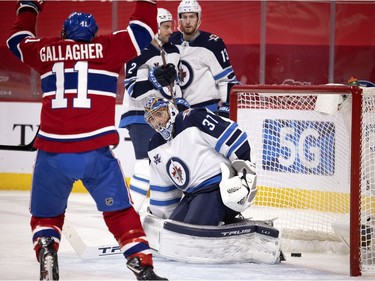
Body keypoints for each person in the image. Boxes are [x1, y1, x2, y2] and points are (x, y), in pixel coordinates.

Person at [6, 1, 169, 280]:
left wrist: (29, 6)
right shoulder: (107, 47)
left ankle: (47, 249)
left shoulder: (46, 50)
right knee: (119, 213)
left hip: (52, 154)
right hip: (95, 153)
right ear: (93, 34)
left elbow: (16, 40)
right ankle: (142, 264)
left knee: (47, 216)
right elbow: (142, 30)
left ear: (64, 32)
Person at [143, 97, 257, 225]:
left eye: (159, 114)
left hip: (217, 188)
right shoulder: (154, 145)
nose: (157, 122)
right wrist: (160, 216)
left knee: (190, 230)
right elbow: (163, 189)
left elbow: (232, 136)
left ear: (171, 110)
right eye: (152, 119)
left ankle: (220, 220)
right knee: (171, 227)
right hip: (191, 196)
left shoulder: (192, 118)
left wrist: (245, 172)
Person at [119, 8, 182, 213]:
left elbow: (174, 86)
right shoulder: (135, 51)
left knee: (163, 165)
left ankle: (163, 212)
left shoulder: (173, 51)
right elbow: (133, 90)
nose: (170, 30)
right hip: (139, 116)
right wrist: (155, 80)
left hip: (164, 116)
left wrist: (180, 104)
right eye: (165, 26)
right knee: (144, 167)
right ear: (154, 29)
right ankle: (128, 215)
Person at [169, 0, 239, 117]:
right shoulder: (171, 41)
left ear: (198, 17)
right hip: (178, 110)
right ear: (179, 18)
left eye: (191, 16)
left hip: (206, 110)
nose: (187, 22)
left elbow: (227, 80)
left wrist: (226, 106)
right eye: (184, 17)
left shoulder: (213, 44)